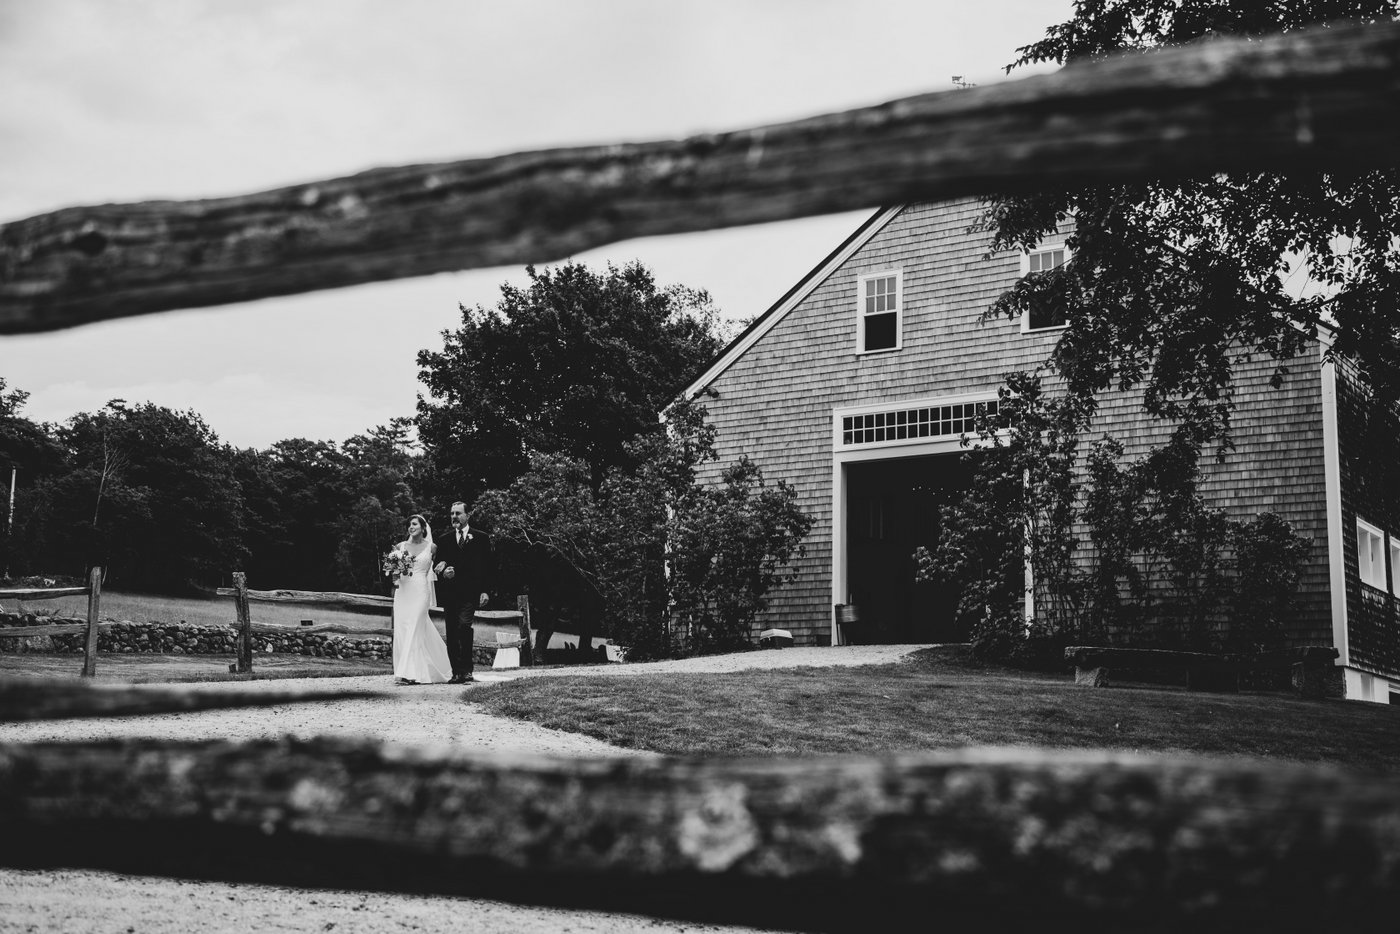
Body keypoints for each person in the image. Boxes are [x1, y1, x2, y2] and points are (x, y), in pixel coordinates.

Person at [390, 514, 452, 685]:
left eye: (415, 524)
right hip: (403, 591)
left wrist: (445, 570)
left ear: (423, 528)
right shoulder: (400, 547)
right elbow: (393, 571)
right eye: (409, 524)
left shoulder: (432, 547)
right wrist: (394, 577)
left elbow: (440, 565)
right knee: (403, 628)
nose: (411, 527)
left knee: (415, 627)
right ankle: (405, 671)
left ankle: (409, 673)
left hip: (420, 591)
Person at [433, 501, 490, 684]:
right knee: (451, 631)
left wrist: (485, 591)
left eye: (458, 513)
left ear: (467, 515)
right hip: (450, 594)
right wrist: (443, 572)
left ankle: (467, 669)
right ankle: (457, 672)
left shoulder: (481, 538)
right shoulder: (444, 539)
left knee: (464, 626)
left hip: (470, 593)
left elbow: (489, 567)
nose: (454, 517)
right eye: (452, 513)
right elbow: (438, 565)